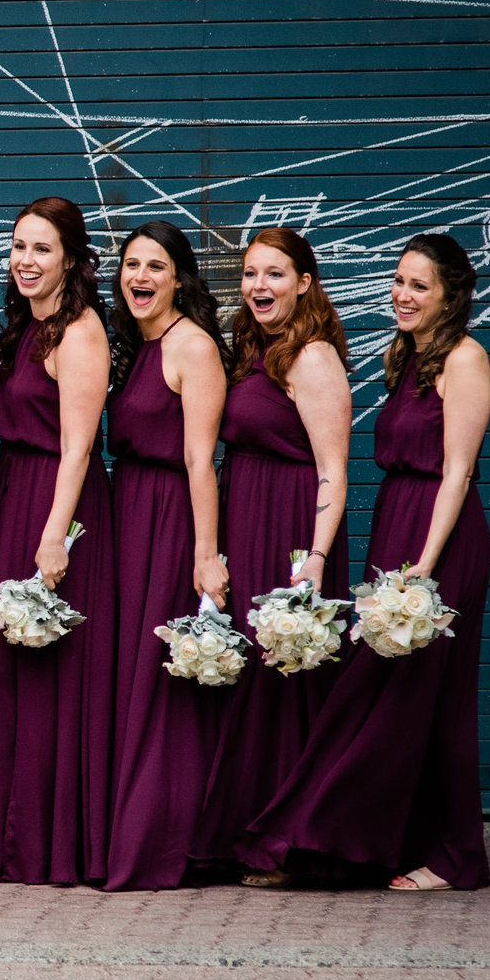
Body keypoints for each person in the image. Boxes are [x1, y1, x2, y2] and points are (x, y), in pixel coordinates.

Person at [240, 233, 490, 891]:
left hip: (440, 538)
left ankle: (456, 854)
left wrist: (423, 569)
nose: (403, 295)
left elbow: (458, 472)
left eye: (419, 286)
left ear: (450, 296)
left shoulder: (465, 358)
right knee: (386, 697)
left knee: (437, 696)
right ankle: (380, 839)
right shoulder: (405, 358)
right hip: (395, 525)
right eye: (399, 282)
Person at [191, 229, 350, 867]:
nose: (260, 286)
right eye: (252, 274)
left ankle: (288, 841)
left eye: (276, 274)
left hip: (290, 531)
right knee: (249, 682)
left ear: (305, 283)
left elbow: (334, 471)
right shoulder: (256, 351)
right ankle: (246, 830)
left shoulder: (312, 357)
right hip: (247, 517)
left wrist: (313, 558)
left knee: (285, 683)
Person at [0, 195, 117, 887]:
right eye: (18, 247)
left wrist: (54, 535)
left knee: (54, 674)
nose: (26, 260)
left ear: (71, 256)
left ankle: (52, 842)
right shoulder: (23, 327)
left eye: (40, 248)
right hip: (15, 493)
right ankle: (15, 836)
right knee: (14, 668)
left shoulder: (80, 331)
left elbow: (78, 447)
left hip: (56, 507)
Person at [100, 221, 227, 892]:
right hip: (126, 516)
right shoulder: (133, 347)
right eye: (130, 265)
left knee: (159, 685)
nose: (140, 276)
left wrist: (207, 555)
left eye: (155, 266)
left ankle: (165, 844)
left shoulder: (192, 346)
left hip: (171, 520)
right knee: (130, 676)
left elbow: (201, 459)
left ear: (179, 277)